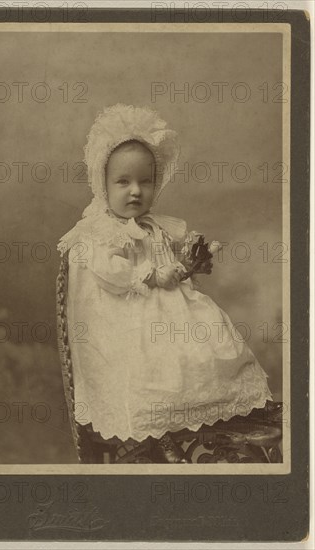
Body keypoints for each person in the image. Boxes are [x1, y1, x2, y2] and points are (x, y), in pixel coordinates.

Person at [58, 104, 273, 463]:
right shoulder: (99, 232)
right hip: (129, 314)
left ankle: (210, 408)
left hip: (172, 307)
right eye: (123, 182)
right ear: (102, 182)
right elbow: (107, 269)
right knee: (156, 360)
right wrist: (149, 276)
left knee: (208, 335)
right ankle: (161, 422)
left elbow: (170, 258)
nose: (136, 192)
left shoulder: (155, 226)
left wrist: (190, 260)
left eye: (146, 181)